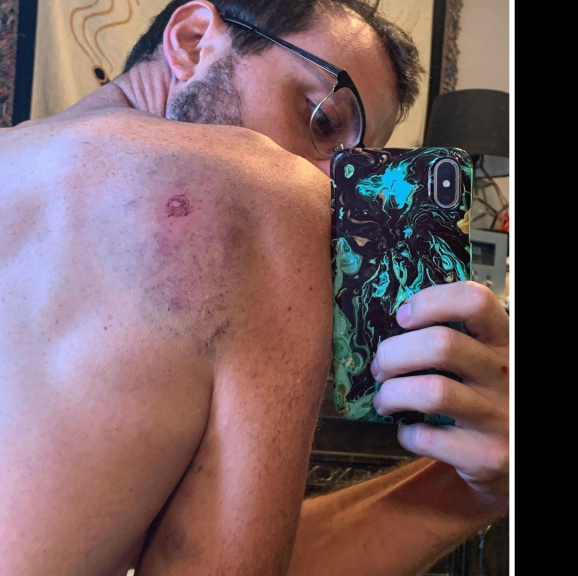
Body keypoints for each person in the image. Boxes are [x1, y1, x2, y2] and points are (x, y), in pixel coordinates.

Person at [0, 2, 508, 575]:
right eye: (321, 118)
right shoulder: (267, 192)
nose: (327, 185)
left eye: (352, 167)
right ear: (193, 40)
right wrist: (477, 492)